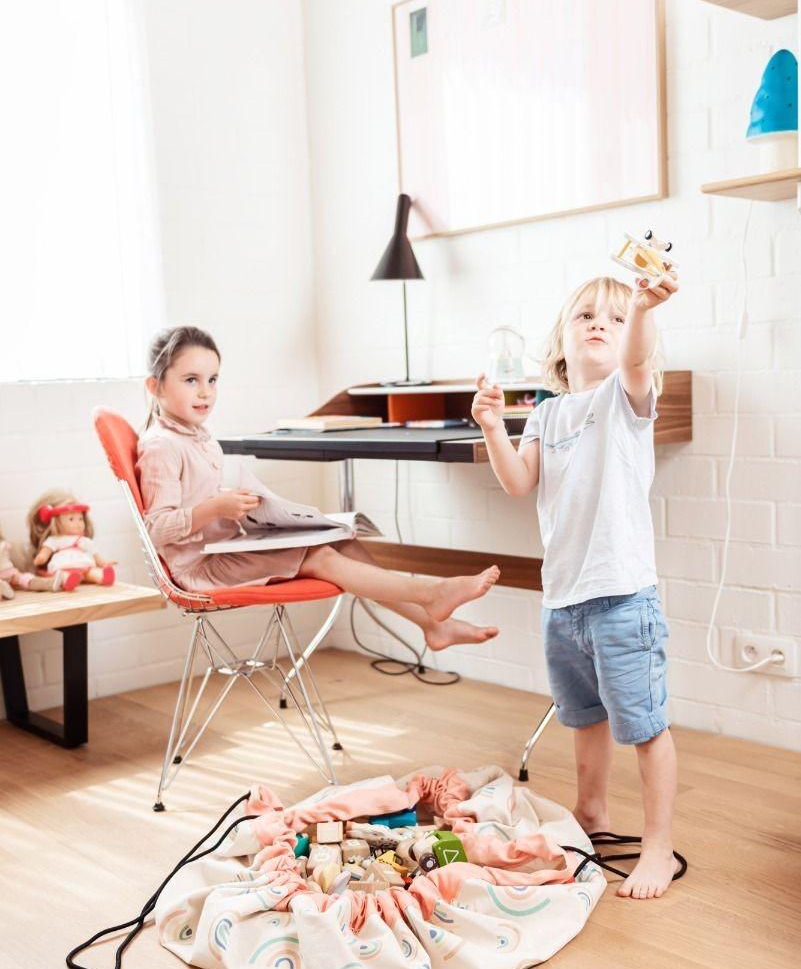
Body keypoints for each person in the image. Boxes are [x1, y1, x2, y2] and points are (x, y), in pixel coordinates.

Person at [472, 271, 680, 898]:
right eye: (585, 316)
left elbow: (638, 355)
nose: (600, 324)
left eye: (614, 320)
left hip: (622, 597)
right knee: (583, 719)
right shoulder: (546, 413)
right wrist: (491, 427)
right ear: (560, 343)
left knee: (643, 726)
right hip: (563, 603)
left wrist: (641, 308)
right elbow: (518, 482)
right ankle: (591, 816)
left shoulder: (625, 396)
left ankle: (659, 847)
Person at [137, 326, 499, 654]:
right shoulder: (162, 446)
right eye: (190, 380)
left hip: (226, 548)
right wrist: (216, 508)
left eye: (212, 379)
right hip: (201, 569)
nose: (205, 392)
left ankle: (434, 626)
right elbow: (155, 529)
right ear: (155, 386)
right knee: (321, 557)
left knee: (342, 540)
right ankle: (432, 596)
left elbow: (197, 499)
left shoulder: (197, 437)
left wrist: (240, 506)